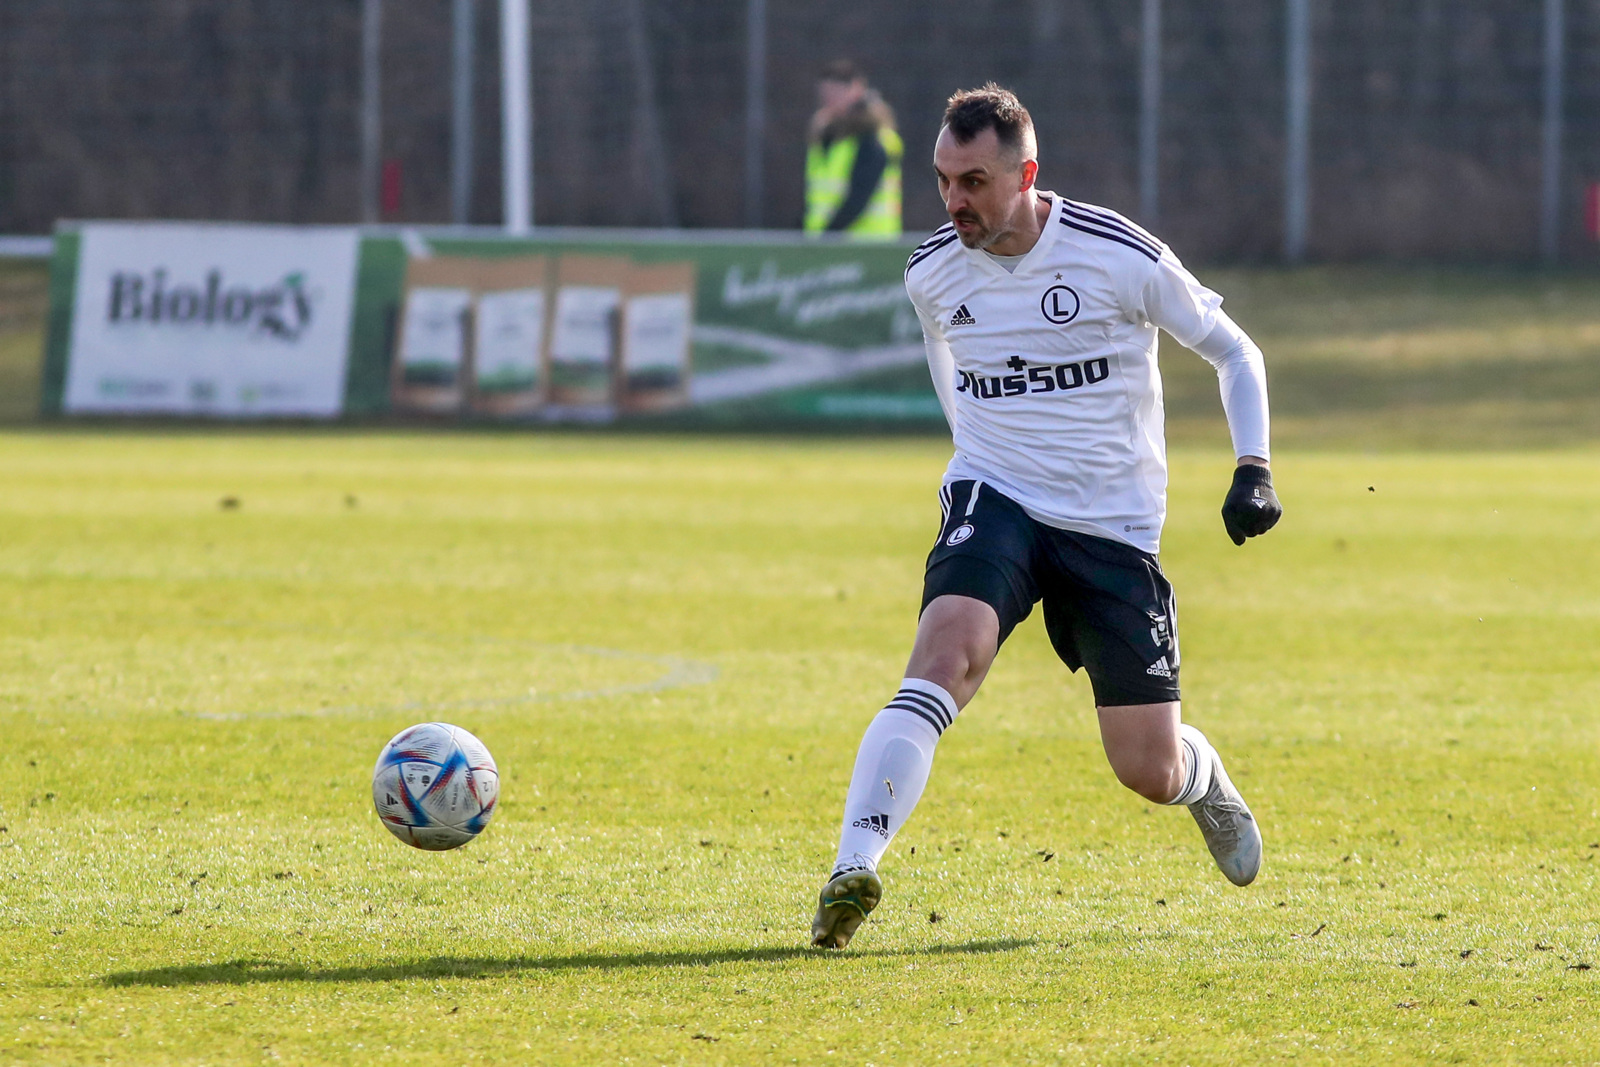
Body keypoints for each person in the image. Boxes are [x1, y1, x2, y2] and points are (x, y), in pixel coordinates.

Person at [811, 84, 1282, 950]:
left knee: (1147, 766)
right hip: (998, 497)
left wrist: (1253, 467)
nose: (955, 201)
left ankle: (1201, 775)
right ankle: (853, 864)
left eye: (975, 182)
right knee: (945, 654)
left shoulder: (1116, 254)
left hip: (1111, 525)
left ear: (1026, 174)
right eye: (944, 180)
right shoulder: (931, 272)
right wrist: (979, 458)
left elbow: (1234, 351)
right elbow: (947, 366)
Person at [804, 60, 903, 238]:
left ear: (856, 90)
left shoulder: (871, 139)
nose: (829, 100)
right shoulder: (825, 136)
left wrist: (826, 236)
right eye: (826, 94)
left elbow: (858, 198)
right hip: (828, 245)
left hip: (868, 245)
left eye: (836, 93)